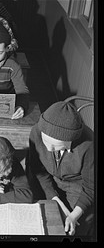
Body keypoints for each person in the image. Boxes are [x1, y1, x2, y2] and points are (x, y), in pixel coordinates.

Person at [26, 101, 94, 236]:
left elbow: (91, 188)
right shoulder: (36, 131)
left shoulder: (89, 145)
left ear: (70, 142)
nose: (48, 149)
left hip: (78, 185)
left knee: (74, 228)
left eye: (56, 146)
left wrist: (73, 215)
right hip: (48, 180)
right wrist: (54, 198)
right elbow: (38, 171)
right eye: (46, 142)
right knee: (42, 217)